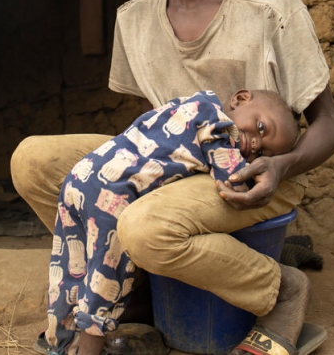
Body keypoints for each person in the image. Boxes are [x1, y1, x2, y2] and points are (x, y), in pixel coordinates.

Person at [12, 0, 334, 355]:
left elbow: (330, 124)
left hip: (251, 177)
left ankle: (281, 290)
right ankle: (135, 293)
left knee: (144, 225)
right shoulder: (135, 19)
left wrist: (280, 165)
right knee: (33, 161)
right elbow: (152, 121)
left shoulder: (273, 9)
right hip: (171, 165)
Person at [46, 89, 300, 355]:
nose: (257, 145)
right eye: (261, 127)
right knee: (105, 281)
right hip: (110, 199)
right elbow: (233, 181)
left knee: (70, 269)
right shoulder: (220, 130)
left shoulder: (193, 102)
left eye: (265, 154)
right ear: (239, 99)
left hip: (81, 178)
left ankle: (60, 344)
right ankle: (89, 349)